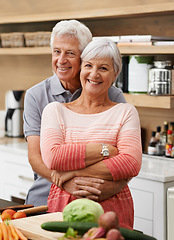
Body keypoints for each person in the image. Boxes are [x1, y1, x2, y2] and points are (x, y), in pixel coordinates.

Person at [40, 38, 142, 229]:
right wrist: (105, 151)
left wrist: (72, 172)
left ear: (116, 73)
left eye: (103, 68)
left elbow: (131, 162)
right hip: (65, 207)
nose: (94, 74)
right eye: (88, 65)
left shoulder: (126, 112)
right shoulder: (55, 111)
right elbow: (53, 158)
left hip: (114, 211)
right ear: (81, 69)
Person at [23, 19, 127, 207]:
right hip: (45, 197)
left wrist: (112, 188)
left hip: (97, 199)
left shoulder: (112, 95)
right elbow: (35, 157)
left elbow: (126, 160)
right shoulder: (35, 96)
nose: (61, 60)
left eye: (70, 53)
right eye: (56, 52)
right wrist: (65, 182)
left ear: (84, 56)